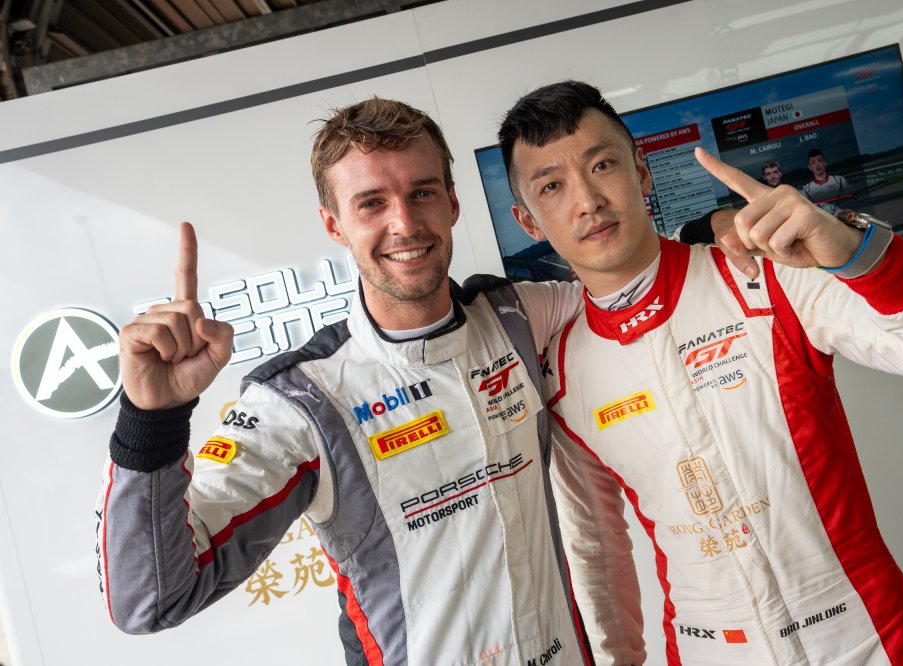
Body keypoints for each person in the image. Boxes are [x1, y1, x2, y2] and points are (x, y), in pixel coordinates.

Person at [95, 97, 655, 665]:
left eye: (422, 193)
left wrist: (705, 234)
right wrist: (152, 419)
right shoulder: (301, 400)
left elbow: (637, 293)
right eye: (372, 203)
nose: (404, 224)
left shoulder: (517, 315)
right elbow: (150, 600)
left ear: (453, 202)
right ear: (333, 224)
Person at [497, 80, 903, 665]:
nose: (587, 200)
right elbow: (595, 552)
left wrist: (856, 252)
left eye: (602, 165)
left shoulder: (762, 274)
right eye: (552, 186)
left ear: (642, 172)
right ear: (529, 221)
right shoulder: (559, 366)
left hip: (867, 639)